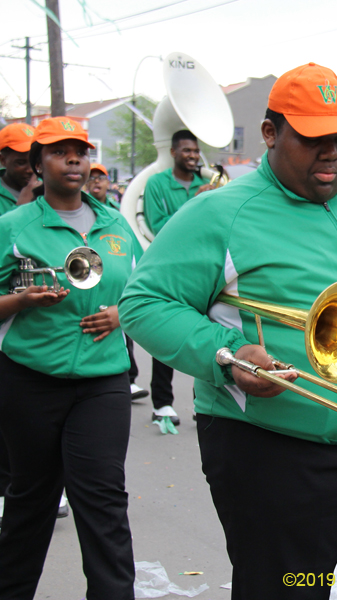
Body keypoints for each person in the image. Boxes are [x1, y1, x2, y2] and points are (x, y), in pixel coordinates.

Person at [119, 62, 337, 600]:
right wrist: (225, 354)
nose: (331, 152)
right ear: (271, 134)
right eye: (312, 138)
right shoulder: (219, 212)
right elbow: (143, 301)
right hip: (274, 447)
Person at [0, 117, 140, 598]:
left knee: (103, 502)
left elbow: (148, 292)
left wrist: (121, 313)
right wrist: (19, 301)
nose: (73, 158)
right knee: (32, 502)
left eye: (79, 149)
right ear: (38, 164)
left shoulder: (116, 223)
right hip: (28, 382)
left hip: (103, 382)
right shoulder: (11, 227)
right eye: (59, 151)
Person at [0, 122, 67, 526]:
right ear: (4, 159)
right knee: (1, 407)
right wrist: (28, 200)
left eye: (33, 156)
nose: (27, 165)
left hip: (52, 314)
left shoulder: (58, 190)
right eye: (19, 157)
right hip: (6, 313)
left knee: (54, 412)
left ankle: (49, 485)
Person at [142, 130, 215, 428]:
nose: (193, 155)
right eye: (186, 150)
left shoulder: (208, 184)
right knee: (167, 333)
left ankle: (205, 402)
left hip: (204, 267)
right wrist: (193, 206)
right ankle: (162, 403)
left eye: (196, 150)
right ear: (173, 152)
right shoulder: (157, 183)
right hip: (170, 266)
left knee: (210, 337)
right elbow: (155, 224)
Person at [86, 163, 148, 402]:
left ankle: (128, 378)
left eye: (100, 177)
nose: (96, 182)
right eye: (92, 179)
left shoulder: (117, 214)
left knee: (124, 332)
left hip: (116, 291)